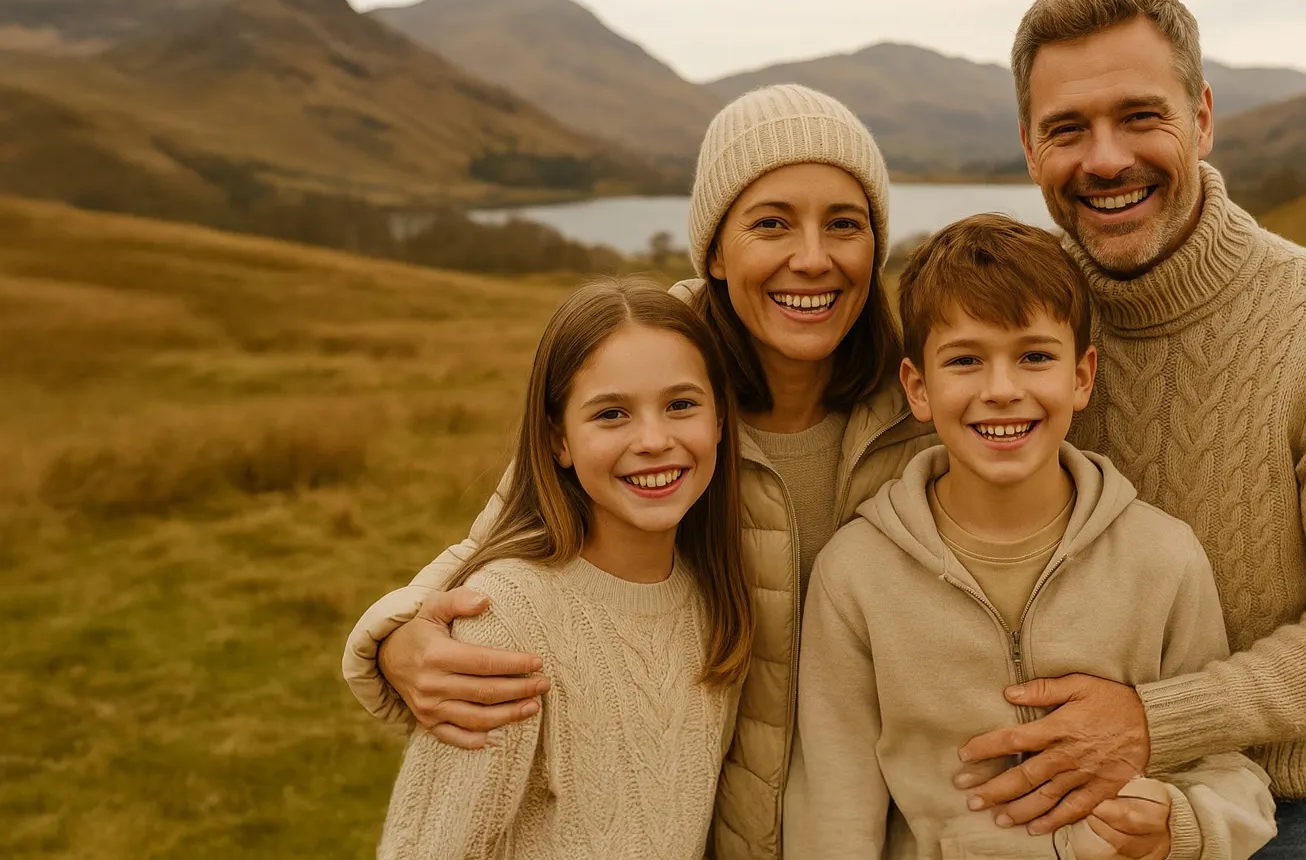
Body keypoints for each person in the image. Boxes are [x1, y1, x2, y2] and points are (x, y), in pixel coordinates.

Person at [345, 84, 936, 858]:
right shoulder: (660, 381)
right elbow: (513, 534)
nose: (813, 258)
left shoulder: (927, 408)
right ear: (716, 252)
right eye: (771, 224)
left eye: (845, 225)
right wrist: (394, 637)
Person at [953, 0, 1306, 860]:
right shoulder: (1014, 325)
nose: (1105, 159)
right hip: (1048, 809)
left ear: (1200, 117)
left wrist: (1153, 723)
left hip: (1289, 817)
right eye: (1067, 129)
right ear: (1030, 149)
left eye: (1139, 116)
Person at [783, 214, 1276, 859]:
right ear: (918, 388)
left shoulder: (1164, 556)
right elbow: (833, 809)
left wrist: (1182, 824)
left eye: (1035, 356)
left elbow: (1225, 767)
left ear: (1082, 377)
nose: (1002, 391)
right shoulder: (855, 572)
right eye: (965, 360)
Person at [377, 275, 752, 858]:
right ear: (559, 441)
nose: (653, 440)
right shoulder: (504, 622)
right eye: (611, 414)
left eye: (681, 405)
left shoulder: (713, 600)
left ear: (721, 421)